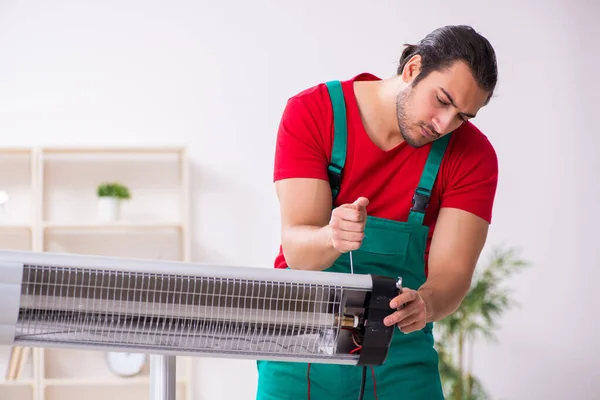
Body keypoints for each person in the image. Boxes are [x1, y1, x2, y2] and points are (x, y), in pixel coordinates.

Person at [257, 25, 499, 400]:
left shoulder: (473, 157)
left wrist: (427, 302)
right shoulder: (314, 113)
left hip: (400, 354)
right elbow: (298, 252)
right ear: (413, 68)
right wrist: (330, 237)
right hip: (298, 346)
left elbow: (452, 274)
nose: (444, 125)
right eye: (442, 100)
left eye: (462, 117)